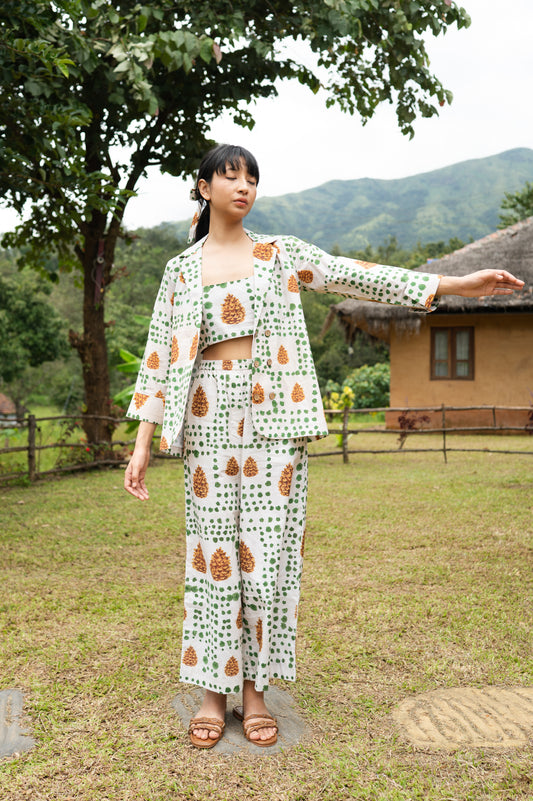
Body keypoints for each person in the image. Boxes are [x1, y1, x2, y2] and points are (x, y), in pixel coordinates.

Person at [124, 144, 524, 749]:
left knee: (265, 560)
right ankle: (212, 692)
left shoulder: (279, 254)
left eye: (252, 178)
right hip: (205, 419)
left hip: (275, 423)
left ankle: (255, 694)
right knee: (211, 559)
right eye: (230, 176)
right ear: (203, 187)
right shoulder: (179, 271)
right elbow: (157, 359)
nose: (244, 186)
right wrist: (142, 442)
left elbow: (355, 273)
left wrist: (453, 282)